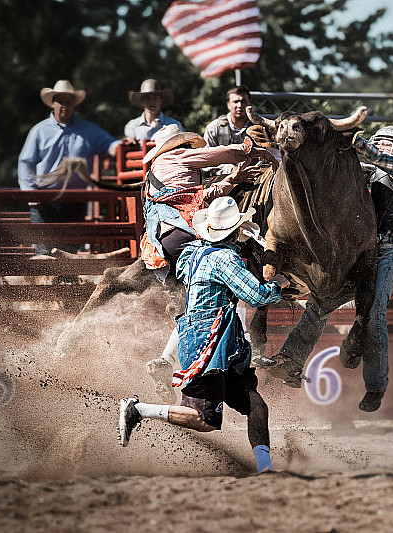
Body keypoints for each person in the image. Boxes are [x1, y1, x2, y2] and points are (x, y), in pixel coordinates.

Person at [118, 196, 290, 475]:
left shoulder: (195, 253)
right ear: (234, 231)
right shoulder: (225, 259)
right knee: (203, 418)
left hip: (214, 336)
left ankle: (266, 468)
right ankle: (139, 410)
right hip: (210, 339)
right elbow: (256, 296)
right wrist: (277, 285)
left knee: (255, 403)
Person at [140, 123, 278, 403]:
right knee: (228, 278)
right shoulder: (176, 156)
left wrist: (233, 180)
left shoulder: (156, 174)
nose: (190, 149)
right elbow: (224, 154)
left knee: (193, 306)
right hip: (183, 235)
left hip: (160, 246)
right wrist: (258, 151)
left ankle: (166, 361)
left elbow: (200, 196)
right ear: (178, 145)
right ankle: (244, 344)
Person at [347, 126, 393, 412]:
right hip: (367, 253)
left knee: (376, 312)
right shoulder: (377, 172)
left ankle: (376, 386)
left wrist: (356, 141)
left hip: (390, 253)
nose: (380, 143)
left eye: (386, 141)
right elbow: (356, 167)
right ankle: (350, 347)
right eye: (377, 139)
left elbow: (374, 156)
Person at [18, 79, 126, 255]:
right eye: (60, 100)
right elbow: (25, 163)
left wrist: (122, 145)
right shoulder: (39, 131)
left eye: (69, 101)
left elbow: (109, 144)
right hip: (44, 201)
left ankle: (66, 273)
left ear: (74, 104)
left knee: (69, 252)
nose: (64, 105)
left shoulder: (89, 130)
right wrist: (31, 194)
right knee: (44, 252)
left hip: (76, 201)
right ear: (53, 103)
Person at [203, 86, 254, 179]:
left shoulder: (259, 128)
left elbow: (272, 154)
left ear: (249, 103)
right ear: (228, 104)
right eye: (236, 102)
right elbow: (205, 158)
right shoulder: (214, 128)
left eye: (243, 101)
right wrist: (231, 169)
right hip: (222, 181)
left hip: (254, 179)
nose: (240, 105)